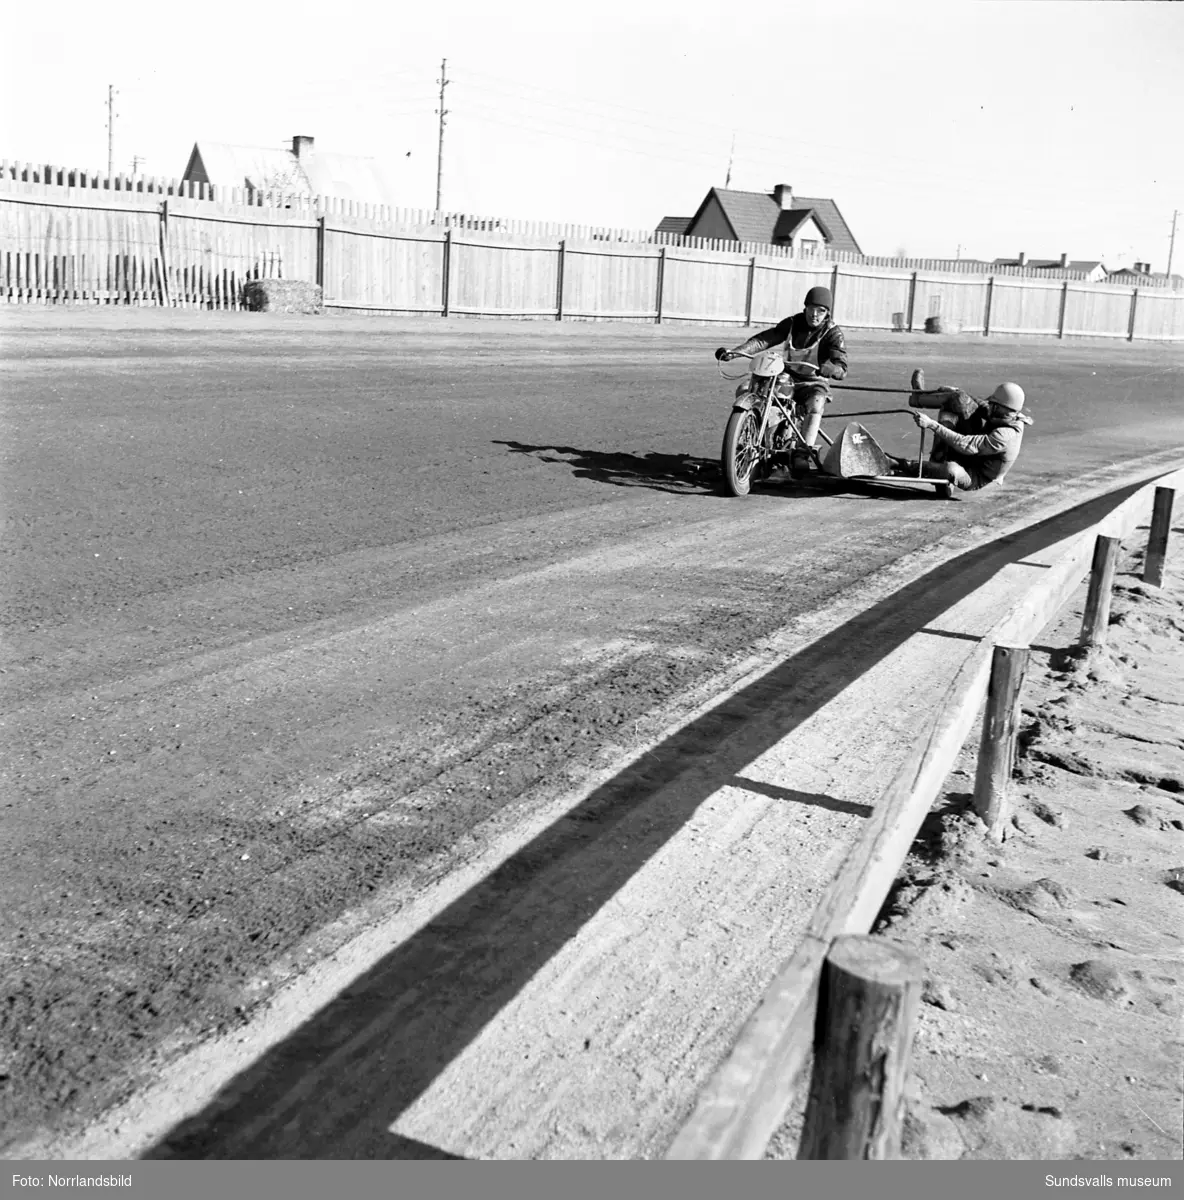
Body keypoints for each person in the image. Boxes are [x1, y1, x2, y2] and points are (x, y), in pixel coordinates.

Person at [715, 286, 848, 462]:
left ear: (827, 313)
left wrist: (832, 368)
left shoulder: (833, 333)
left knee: (816, 404)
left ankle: (803, 453)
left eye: (820, 310)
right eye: (811, 309)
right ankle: (748, 434)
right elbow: (764, 339)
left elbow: (841, 366)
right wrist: (736, 352)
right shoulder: (793, 323)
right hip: (785, 376)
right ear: (805, 308)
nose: (814, 314)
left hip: (813, 382)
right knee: (746, 388)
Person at [892, 369, 1032, 491]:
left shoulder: (1005, 436)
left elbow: (966, 445)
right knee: (958, 399)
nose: (990, 407)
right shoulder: (1006, 412)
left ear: (1002, 408)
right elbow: (977, 404)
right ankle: (919, 398)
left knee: (951, 469)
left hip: (975, 474)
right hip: (973, 453)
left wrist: (931, 424)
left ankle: (900, 465)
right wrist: (955, 392)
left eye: (994, 405)